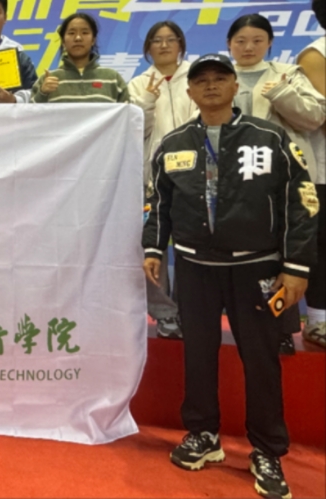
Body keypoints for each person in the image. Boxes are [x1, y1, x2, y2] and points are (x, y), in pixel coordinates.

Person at [143, 53, 318, 499]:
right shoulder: (174, 143)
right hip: (195, 269)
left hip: (256, 267)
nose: (211, 86)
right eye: (201, 80)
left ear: (234, 86)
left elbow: (302, 202)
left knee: (260, 359)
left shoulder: (269, 138)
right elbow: (159, 203)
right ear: (189, 91)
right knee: (198, 354)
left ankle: (267, 450)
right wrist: (154, 248)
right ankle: (203, 433)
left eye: (220, 78)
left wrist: (295, 267)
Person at [227, 13, 326, 354]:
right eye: (241, 41)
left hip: (283, 181)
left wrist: (283, 94)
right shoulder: (216, 76)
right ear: (229, 44)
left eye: (257, 40)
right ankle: (244, 327)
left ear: (270, 43)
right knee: (242, 259)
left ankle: (283, 328)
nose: (248, 47)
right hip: (233, 183)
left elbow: (315, 117)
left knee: (282, 257)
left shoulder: (289, 74)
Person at [129, 21, 196, 339]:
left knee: (192, 248)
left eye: (171, 39)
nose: (164, 45)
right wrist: (146, 101)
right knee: (152, 247)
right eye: (157, 40)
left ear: (181, 44)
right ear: (148, 47)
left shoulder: (198, 76)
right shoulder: (137, 84)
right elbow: (133, 132)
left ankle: (191, 311)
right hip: (152, 180)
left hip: (196, 177)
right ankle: (164, 313)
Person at [296, 0, 326, 348]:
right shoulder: (316, 56)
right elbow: (322, 116)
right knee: (322, 247)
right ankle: (318, 321)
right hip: (322, 174)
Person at [31, 12, 130, 104]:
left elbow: (127, 113)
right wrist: (42, 93)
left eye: (85, 33)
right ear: (63, 41)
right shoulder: (47, 80)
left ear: (93, 40)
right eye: (71, 33)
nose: (78, 38)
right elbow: (30, 113)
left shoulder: (112, 78)